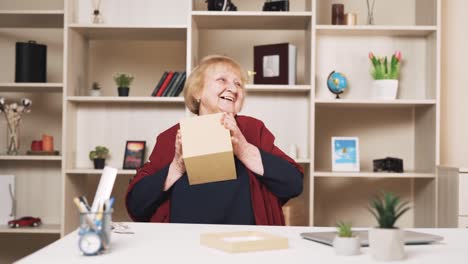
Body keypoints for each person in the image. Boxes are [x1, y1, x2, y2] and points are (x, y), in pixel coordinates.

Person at [126, 55, 303, 225]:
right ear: (197, 91)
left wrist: (244, 149)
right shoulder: (171, 137)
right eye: (222, 80)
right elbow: (137, 206)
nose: (233, 89)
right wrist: (176, 167)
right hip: (182, 246)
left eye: (238, 84)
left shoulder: (253, 130)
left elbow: (293, 184)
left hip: (246, 246)